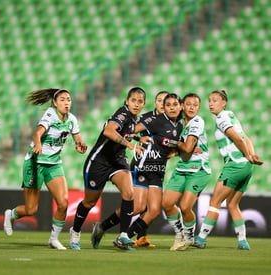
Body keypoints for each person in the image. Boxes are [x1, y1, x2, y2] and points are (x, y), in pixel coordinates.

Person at [90, 93, 183, 249]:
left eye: (170, 103)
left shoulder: (179, 125)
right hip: (142, 167)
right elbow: (130, 131)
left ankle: (121, 235)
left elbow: (171, 146)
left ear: (179, 106)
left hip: (158, 170)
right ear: (157, 103)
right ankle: (107, 229)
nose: (165, 105)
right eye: (162, 102)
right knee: (138, 207)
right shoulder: (152, 119)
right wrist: (137, 140)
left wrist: (175, 152)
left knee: (153, 211)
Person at [3, 88, 87, 250]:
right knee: (31, 209)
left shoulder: (71, 119)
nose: (66, 102)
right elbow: (37, 133)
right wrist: (39, 144)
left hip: (54, 164)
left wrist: (80, 144)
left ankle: (53, 239)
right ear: (55, 103)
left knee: (63, 203)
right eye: (62, 100)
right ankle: (11, 214)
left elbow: (77, 138)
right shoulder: (50, 114)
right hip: (36, 162)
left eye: (68, 99)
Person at [69, 87, 150, 251]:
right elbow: (108, 131)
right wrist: (130, 144)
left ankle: (123, 236)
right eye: (133, 100)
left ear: (143, 104)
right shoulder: (122, 113)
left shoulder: (135, 119)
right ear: (127, 101)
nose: (136, 104)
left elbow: (128, 131)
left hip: (118, 161)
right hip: (99, 161)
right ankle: (75, 231)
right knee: (90, 202)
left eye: (139, 101)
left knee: (129, 194)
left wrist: (139, 137)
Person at [193, 90, 263, 250]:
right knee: (232, 204)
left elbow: (238, 138)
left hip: (235, 165)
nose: (211, 103)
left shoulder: (222, 117)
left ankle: (201, 238)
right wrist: (251, 156)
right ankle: (243, 241)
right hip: (246, 166)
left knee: (215, 202)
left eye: (215, 100)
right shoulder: (231, 115)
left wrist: (247, 154)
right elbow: (246, 137)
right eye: (209, 100)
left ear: (224, 103)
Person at [162, 93, 211, 251]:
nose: (192, 107)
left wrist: (174, 143)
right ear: (182, 106)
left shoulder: (197, 122)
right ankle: (179, 235)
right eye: (188, 104)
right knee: (167, 204)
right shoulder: (180, 123)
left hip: (198, 170)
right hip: (182, 168)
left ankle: (189, 237)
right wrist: (178, 150)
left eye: (195, 105)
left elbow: (188, 148)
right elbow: (185, 148)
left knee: (184, 207)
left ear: (199, 107)